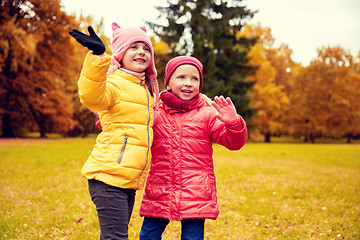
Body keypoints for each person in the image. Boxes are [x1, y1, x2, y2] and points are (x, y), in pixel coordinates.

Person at [139, 56, 248, 239]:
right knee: (148, 236)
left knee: (192, 237)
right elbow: (132, 126)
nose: (188, 83)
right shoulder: (154, 110)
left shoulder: (207, 113)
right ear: (168, 83)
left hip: (195, 190)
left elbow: (234, 143)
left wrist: (233, 123)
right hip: (160, 186)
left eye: (194, 78)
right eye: (181, 77)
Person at [69, 23, 159, 240]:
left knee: (114, 236)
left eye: (145, 48)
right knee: (116, 237)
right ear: (120, 53)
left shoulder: (146, 90)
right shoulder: (114, 83)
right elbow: (92, 96)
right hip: (109, 176)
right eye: (133, 47)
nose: (141, 52)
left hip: (127, 178)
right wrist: (98, 57)